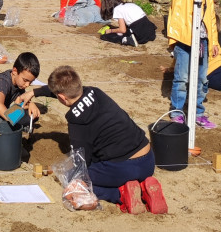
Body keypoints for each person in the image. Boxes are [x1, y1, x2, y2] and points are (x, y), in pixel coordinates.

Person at [46, 65, 167, 214]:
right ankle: (144, 187)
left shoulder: (76, 121)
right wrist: (34, 92)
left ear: (62, 97)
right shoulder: (95, 92)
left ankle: (122, 194)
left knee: (74, 183)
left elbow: (82, 160)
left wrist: (68, 174)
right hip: (148, 160)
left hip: (122, 169)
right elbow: (66, 91)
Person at [166, 0, 218, 129]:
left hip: (203, 39)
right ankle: (177, 112)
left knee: (201, 79)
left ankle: (198, 113)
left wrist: (214, 41)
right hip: (185, 37)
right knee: (182, 78)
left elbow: (211, 17)